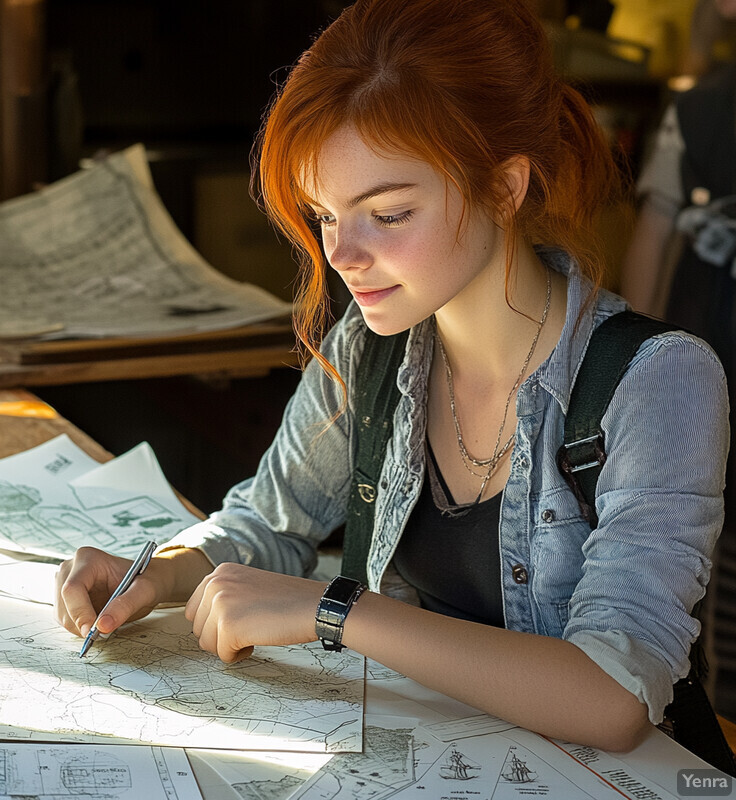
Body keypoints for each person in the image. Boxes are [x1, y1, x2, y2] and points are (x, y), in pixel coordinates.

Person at [55, 0, 729, 755]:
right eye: (325, 215)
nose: (342, 255)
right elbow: (271, 525)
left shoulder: (658, 380)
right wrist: (163, 573)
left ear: (504, 188)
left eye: (390, 213)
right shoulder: (371, 347)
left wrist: (336, 610)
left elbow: (614, 697)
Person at [619, 0, 736, 721]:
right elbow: (652, 241)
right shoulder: (698, 113)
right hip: (716, 378)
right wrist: (632, 366)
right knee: (717, 576)